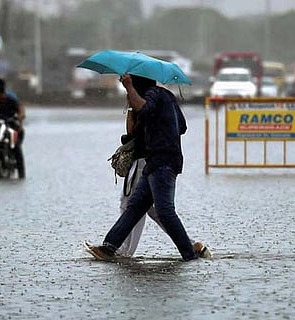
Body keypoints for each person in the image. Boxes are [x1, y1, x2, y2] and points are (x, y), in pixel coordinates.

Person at [87, 74, 206, 261]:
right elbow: (180, 126)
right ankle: (109, 247)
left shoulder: (154, 95)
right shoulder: (165, 97)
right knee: (135, 207)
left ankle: (190, 253)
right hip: (154, 162)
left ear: (137, 83)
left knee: (164, 210)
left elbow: (145, 108)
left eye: (131, 83)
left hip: (164, 161)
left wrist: (129, 89)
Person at [115, 95, 210, 258]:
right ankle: (191, 245)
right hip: (151, 161)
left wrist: (132, 104)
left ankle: (123, 250)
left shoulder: (149, 103)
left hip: (146, 162)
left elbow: (132, 132)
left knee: (131, 205)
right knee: (154, 209)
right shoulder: (160, 101)